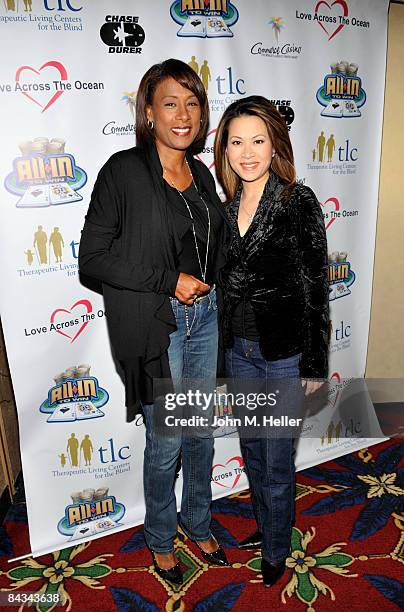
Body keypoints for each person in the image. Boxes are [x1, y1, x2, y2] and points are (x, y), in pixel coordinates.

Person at [79, 59, 230, 585]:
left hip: (206, 319)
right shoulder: (122, 171)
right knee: (167, 439)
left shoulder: (203, 173)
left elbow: (216, 248)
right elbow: (92, 259)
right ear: (149, 111)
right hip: (158, 324)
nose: (183, 115)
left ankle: (198, 520)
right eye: (170, 103)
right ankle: (161, 537)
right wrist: (169, 280)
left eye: (192, 103)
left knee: (201, 434)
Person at [214, 96, 328, 587]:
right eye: (237, 142)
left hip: (282, 357)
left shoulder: (297, 201)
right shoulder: (226, 206)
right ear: (225, 150)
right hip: (238, 352)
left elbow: (316, 289)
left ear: (275, 143)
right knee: (254, 451)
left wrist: (313, 367)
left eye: (257, 140)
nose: (248, 152)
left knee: (277, 460)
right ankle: (269, 526)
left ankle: (278, 548)